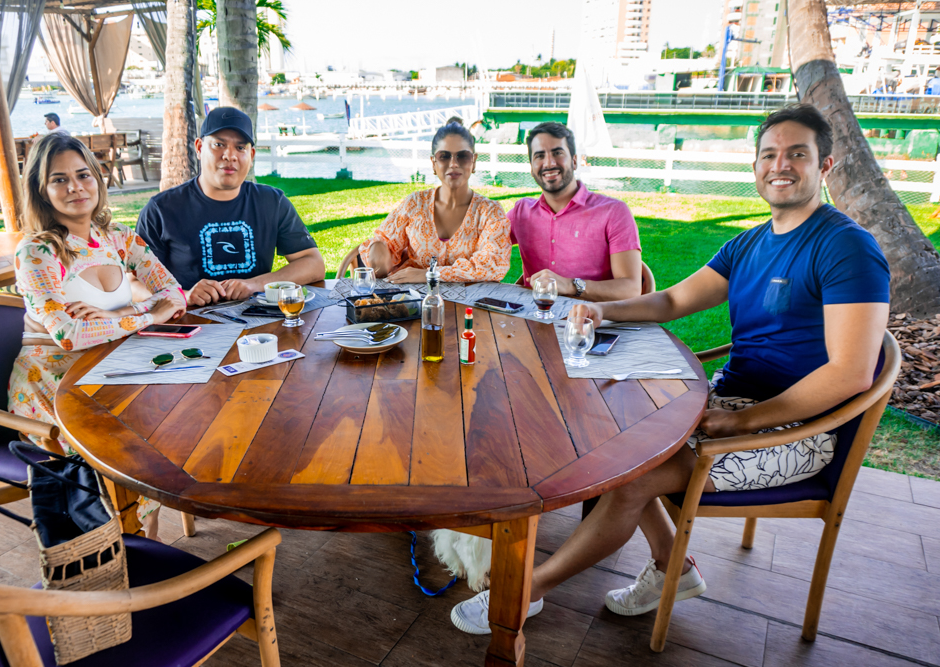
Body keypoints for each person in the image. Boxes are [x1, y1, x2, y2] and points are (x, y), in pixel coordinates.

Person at [449, 104, 891, 633]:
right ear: (754, 167)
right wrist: (600, 309)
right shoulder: (750, 243)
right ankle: (672, 568)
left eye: (798, 153)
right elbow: (671, 300)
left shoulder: (846, 247)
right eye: (769, 154)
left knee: (629, 480)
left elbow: (850, 374)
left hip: (799, 432)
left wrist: (742, 421)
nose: (781, 165)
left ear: (826, 165)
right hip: (733, 401)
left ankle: (522, 594)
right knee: (609, 443)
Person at [8, 133, 186, 540]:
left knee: (171, 426)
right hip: (52, 388)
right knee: (130, 457)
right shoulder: (37, 251)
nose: (75, 187)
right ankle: (123, 557)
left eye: (83, 174)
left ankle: (146, 549)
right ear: (41, 189)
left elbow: (173, 294)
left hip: (111, 370)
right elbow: (70, 336)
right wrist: (145, 314)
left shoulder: (117, 237)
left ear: (98, 179)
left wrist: (127, 312)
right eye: (59, 179)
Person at [136, 107, 325, 307]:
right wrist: (185, 295)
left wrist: (255, 284)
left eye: (240, 148)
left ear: (251, 155)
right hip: (189, 321)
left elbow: (313, 264)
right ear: (199, 148)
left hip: (258, 323)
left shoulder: (272, 202)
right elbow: (132, 284)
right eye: (219, 144)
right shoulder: (161, 209)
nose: (230, 155)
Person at [359, 120, 511, 283]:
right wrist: (379, 252)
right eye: (444, 156)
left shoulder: (490, 212)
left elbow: (492, 266)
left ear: (473, 162)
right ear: (433, 163)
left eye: (462, 156)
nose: (453, 164)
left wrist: (429, 274)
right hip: (412, 303)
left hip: (470, 307)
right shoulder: (415, 203)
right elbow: (384, 243)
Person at [508, 122, 642, 301]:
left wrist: (572, 285)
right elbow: (474, 245)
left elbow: (631, 288)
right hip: (534, 318)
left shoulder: (614, 212)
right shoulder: (521, 212)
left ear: (575, 161)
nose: (549, 163)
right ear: (532, 168)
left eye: (558, 153)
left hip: (593, 322)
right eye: (540, 156)